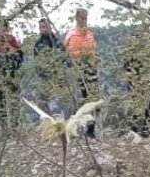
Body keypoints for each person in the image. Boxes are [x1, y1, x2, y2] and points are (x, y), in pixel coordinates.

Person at [65, 8, 100, 138]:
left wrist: (95, 59)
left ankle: (91, 131)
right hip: (79, 71)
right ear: (76, 18)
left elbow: (93, 52)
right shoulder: (72, 35)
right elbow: (70, 55)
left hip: (91, 70)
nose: (84, 21)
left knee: (93, 100)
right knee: (81, 101)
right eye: (81, 18)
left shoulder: (90, 35)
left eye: (86, 18)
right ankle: (74, 129)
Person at [0, 20, 24, 130]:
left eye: (4, 27)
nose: (3, 29)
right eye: (0, 27)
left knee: (14, 100)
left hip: (12, 74)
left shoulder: (12, 40)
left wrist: (11, 54)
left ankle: (15, 126)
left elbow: (19, 57)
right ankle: (4, 127)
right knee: (0, 101)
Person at [32, 18, 69, 117]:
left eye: (45, 27)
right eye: (41, 27)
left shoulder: (57, 42)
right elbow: (36, 62)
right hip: (44, 79)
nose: (44, 29)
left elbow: (64, 58)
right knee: (42, 104)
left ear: (50, 27)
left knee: (58, 105)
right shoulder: (38, 44)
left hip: (57, 78)